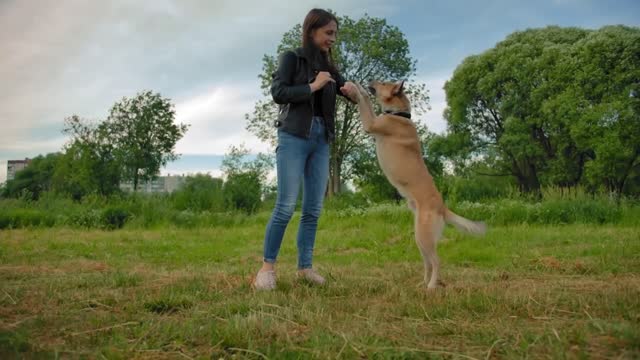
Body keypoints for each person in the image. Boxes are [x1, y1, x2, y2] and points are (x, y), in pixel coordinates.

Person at [253, 8, 357, 290]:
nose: (333, 39)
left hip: (322, 140)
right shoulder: (292, 58)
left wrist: (354, 94)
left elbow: (346, 91)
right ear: (312, 31)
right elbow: (278, 92)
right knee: (286, 206)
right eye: (329, 33)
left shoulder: (329, 67)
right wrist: (312, 86)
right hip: (294, 136)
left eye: (335, 34)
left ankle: (305, 269)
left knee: (313, 209)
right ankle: (267, 269)